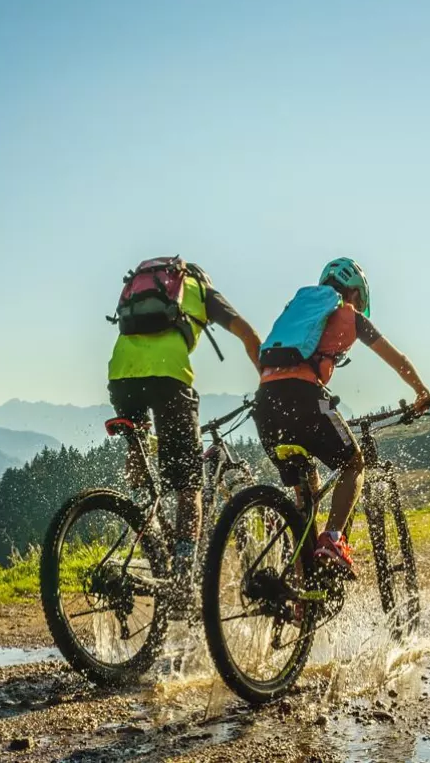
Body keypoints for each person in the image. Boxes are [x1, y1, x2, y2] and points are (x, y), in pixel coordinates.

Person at [251, 257, 430, 577]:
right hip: (306, 397)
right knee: (353, 463)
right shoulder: (350, 316)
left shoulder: (298, 309)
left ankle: (299, 587)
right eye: (359, 300)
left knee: (307, 493)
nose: (358, 306)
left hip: (265, 404)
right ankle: (334, 540)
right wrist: (421, 392)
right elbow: (397, 358)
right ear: (352, 294)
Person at [106, 257, 263, 607]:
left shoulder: (144, 288)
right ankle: (181, 577)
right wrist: (267, 379)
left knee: (140, 453)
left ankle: (146, 526)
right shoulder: (201, 291)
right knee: (189, 486)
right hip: (168, 378)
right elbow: (247, 334)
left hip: (120, 377)